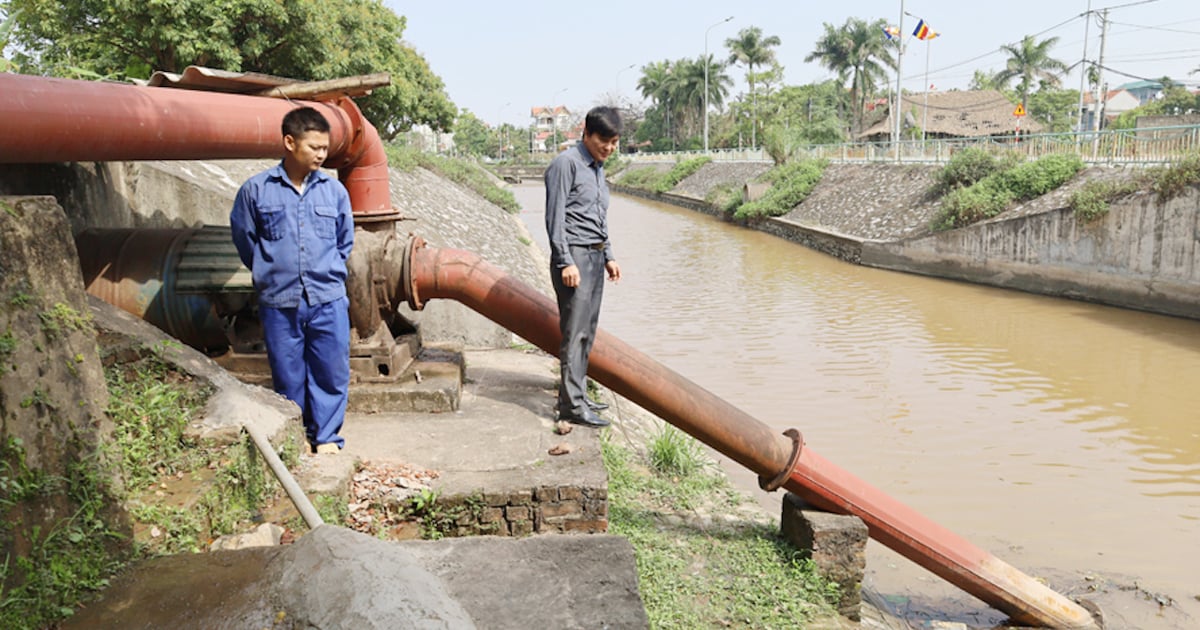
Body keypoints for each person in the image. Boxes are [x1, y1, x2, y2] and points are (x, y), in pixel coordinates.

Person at [230, 106, 354, 454]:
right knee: (288, 374)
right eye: (314, 146)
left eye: (325, 148)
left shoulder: (334, 193)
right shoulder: (256, 191)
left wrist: (325, 272)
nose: (321, 154)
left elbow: (344, 242)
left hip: (327, 298)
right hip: (279, 301)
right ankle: (295, 435)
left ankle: (327, 437)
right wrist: (269, 271)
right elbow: (245, 239)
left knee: (331, 371)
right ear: (289, 142)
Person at [544, 106, 623, 427]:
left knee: (587, 333)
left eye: (615, 142)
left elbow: (597, 217)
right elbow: (555, 217)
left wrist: (609, 256)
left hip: (594, 256)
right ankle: (572, 408)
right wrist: (565, 261)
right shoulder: (566, 165)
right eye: (604, 140)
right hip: (573, 259)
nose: (609, 148)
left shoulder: (597, 168)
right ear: (586, 134)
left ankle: (575, 395)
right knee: (574, 334)